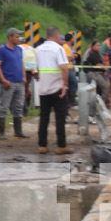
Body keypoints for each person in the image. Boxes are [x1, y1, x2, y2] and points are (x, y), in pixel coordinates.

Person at [35, 26, 72, 154]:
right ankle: (61, 146)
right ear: (57, 36)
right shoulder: (58, 49)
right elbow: (64, 68)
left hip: (43, 88)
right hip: (57, 88)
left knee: (44, 117)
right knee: (60, 117)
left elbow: (37, 69)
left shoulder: (38, 49)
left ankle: (42, 145)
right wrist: (65, 85)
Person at [0, 27, 29, 140]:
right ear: (10, 37)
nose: (19, 38)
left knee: (18, 106)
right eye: (17, 36)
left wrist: (24, 77)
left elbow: (21, 64)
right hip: (8, 82)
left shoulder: (19, 49)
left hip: (19, 81)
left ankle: (18, 131)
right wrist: (3, 80)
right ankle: (2, 132)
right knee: (4, 106)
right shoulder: (2, 49)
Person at [62, 33, 78, 107]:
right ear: (71, 39)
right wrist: (73, 56)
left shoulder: (68, 47)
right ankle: (71, 100)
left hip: (70, 68)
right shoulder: (66, 47)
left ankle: (69, 101)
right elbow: (68, 58)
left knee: (71, 85)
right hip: (68, 69)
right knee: (74, 84)